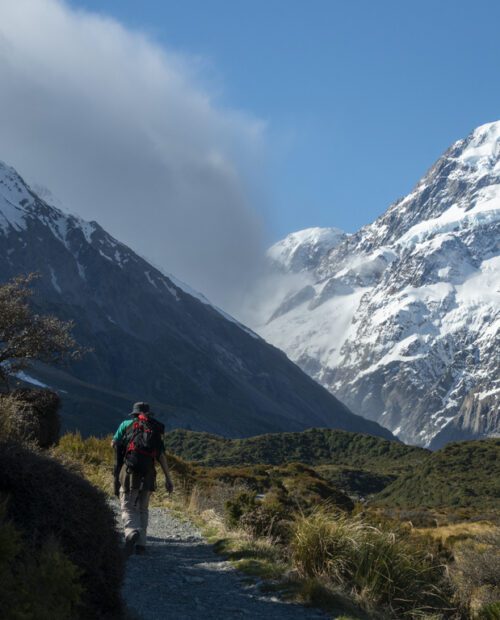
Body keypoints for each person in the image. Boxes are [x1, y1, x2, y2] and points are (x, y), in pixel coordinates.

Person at [111, 402, 174, 556]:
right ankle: (141, 545)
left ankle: (131, 532)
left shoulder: (126, 424)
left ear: (134, 414)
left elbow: (114, 443)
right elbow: (161, 456)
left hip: (129, 472)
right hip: (148, 473)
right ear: (148, 414)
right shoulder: (154, 429)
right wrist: (168, 478)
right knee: (143, 509)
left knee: (127, 506)